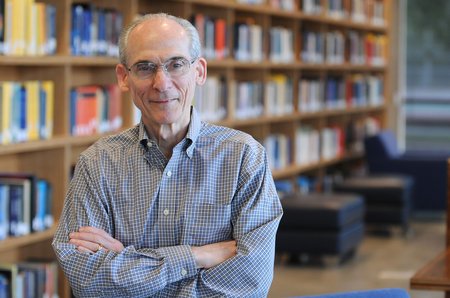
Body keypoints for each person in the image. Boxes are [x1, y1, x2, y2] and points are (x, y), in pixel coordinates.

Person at [52, 12, 283, 297]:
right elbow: (87, 280)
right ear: (124, 78)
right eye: (145, 67)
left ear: (199, 72)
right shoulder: (97, 164)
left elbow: (251, 282)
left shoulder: (244, 158)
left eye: (176, 65)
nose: (161, 83)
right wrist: (197, 257)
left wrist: (129, 264)